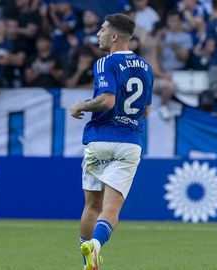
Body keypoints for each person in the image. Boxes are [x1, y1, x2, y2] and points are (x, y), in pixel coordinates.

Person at [69, 13, 153, 270]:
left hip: (100, 139)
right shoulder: (146, 67)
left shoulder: (105, 63)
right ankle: (96, 244)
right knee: (112, 208)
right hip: (129, 141)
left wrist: (81, 105)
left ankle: (87, 259)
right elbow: (146, 111)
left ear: (114, 36)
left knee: (92, 205)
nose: (98, 34)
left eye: (103, 30)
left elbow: (107, 100)